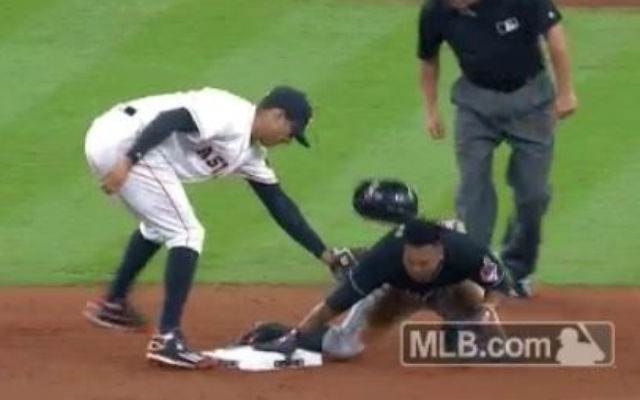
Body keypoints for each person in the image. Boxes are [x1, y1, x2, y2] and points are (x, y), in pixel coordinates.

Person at [83, 85, 338, 369]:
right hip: (124, 141)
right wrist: (128, 160)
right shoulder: (230, 112)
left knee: (161, 227)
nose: (288, 140)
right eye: (291, 132)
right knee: (187, 232)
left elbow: (279, 204)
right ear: (277, 116)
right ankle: (168, 339)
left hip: (127, 145)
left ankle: (114, 303)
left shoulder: (250, 154)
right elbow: (170, 119)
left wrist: (324, 254)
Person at [417, 0, 578, 297]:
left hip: (531, 103)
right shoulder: (436, 10)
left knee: (533, 194)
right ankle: (475, 271)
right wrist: (430, 110)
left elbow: (554, 36)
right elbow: (428, 59)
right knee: (472, 188)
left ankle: (517, 270)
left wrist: (566, 91)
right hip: (474, 105)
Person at [248, 217, 512, 360]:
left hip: (451, 288)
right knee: (343, 348)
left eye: (424, 263)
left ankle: (456, 326)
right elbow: (334, 305)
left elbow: (500, 284)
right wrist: (293, 336)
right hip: (395, 293)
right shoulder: (382, 259)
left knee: (492, 345)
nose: (417, 268)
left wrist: (487, 308)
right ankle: (274, 329)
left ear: (441, 253)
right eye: (411, 261)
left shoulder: (466, 252)